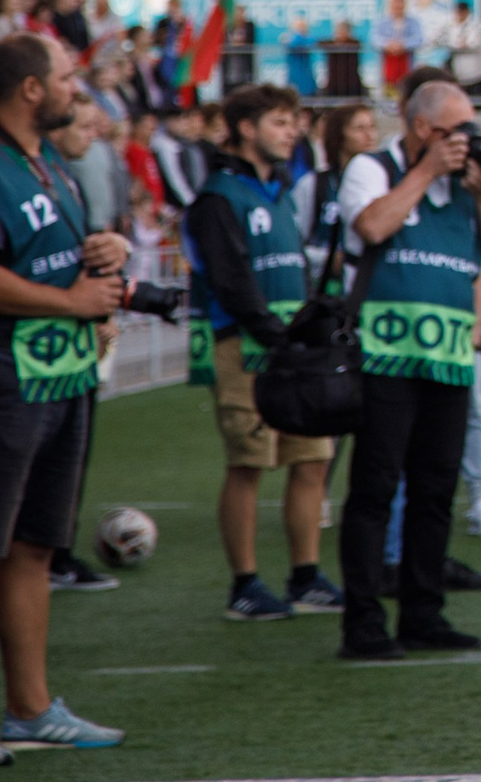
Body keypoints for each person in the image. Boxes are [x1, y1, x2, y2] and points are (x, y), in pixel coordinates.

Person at [0, 37, 127, 767]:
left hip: (60, 376)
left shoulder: (46, 161)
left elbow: (38, 255)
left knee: (36, 544)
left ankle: (32, 708)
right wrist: (72, 299)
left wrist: (98, 255)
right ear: (33, 89)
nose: (81, 89)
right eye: (69, 77)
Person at [333, 77, 481, 658]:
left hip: (448, 361)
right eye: (455, 132)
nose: (466, 142)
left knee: (436, 492)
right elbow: (371, 226)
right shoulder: (374, 167)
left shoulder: (464, 188)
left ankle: (423, 612)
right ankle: (362, 623)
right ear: (420, 128)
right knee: (376, 488)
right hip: (384, 358)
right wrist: (426, 170)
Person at [181, 81, 342, 620]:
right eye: (279, 122)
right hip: (246, 351)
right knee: (248, 465)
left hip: (292, 352)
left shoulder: (281, 189)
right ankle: (245, 585)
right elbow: (231, 280)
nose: (292, 131)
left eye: (293, 122)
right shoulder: (217, 196)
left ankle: (305, 576)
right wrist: (276, 334)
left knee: (312, 462)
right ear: (245, 129)